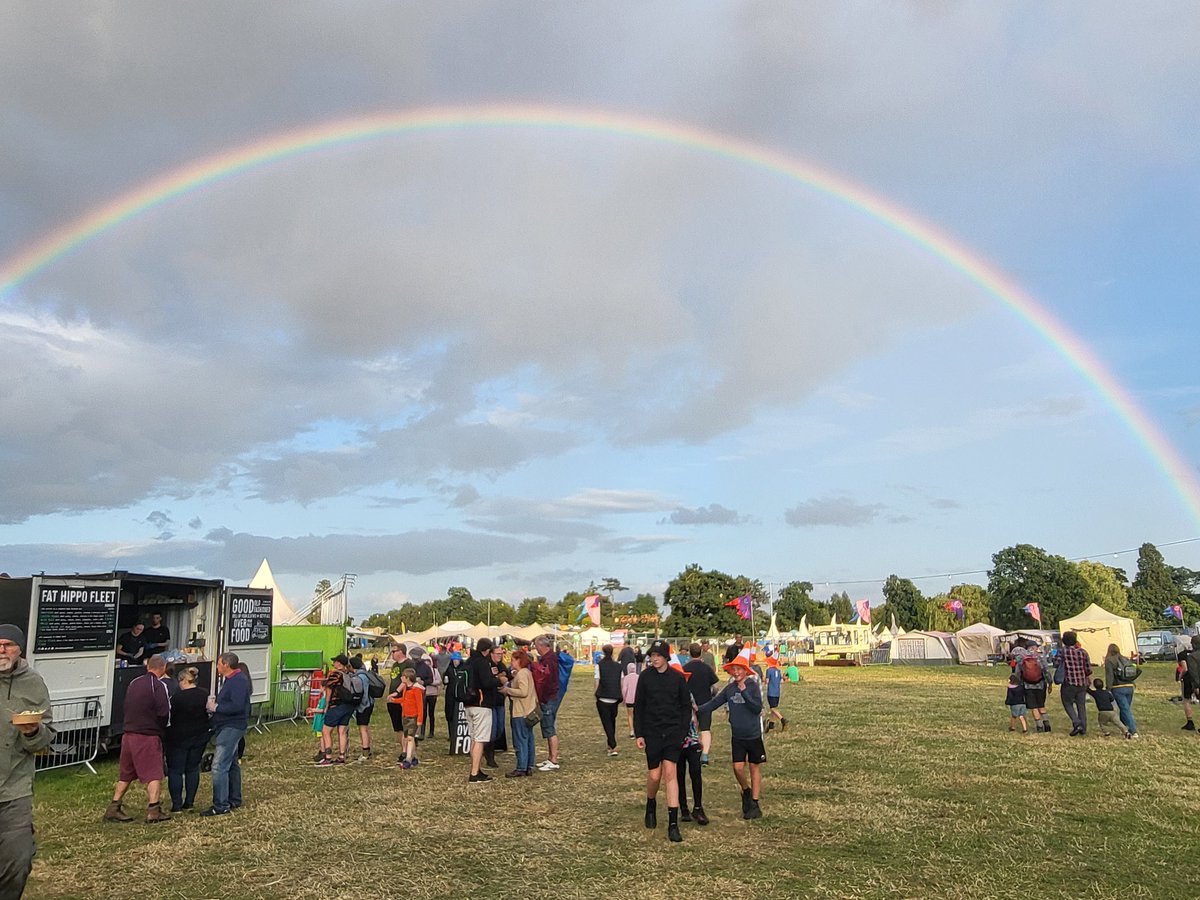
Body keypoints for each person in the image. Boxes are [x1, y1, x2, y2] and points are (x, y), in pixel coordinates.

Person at [0, 624, 54, 899]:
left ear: (19, 649)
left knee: (16, 863)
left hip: (14, 789)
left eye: (8, 644)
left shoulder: (32, 682)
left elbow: (46, 738)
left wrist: (33, 731)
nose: (1, 650)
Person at [697, 647, 766, 820]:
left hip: (753, 734)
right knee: (737, 768)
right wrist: (697, 709)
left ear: (745, 671)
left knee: (754, 767)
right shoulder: (729, 689)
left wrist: (744, 691)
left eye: (739, 669)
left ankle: (755, 803)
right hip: (738, 736)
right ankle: (746, 790)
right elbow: (715, 703)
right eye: (733, 669)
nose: (736, 672)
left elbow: (757, 708)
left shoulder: (751, 686)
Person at [633, 640, 692, 843]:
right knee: (655, 775)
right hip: (652, 732)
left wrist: (683, 731)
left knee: (670, 773)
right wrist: (639, 733)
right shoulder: (645, 677)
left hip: (673, 733)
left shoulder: (677, 678)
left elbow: (686, 706)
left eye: (658, 655)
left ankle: (673, 824)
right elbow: (638, 706)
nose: (654, 659)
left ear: (666, 657)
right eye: (652, 655)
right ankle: (650, 803)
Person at [104, 654, 172, 823]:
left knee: (125, 774)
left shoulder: (134, 683)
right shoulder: (158, 685)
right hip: (147, 735)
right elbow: (164, 712)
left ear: (147, 666)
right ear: (162, 668)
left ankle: (114, 806)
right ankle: (154, 809)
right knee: (154, 773)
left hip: (128, 734)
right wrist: (161, 729)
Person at [201, 652, 250, 816]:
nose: (217, 666)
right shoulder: (233, 680)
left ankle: (221, 804)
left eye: (219, 663)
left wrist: (217, 708)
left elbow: (236, 706)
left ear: (226, 665)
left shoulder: (237, 681)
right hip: (229, 725)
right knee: (232, 763)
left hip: (231, 726)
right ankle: (234, 799)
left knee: (219, 765)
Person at [164, 666, 210, 812]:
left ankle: (176, 804)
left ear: (183, 680)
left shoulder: (177, 698)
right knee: (192, 768)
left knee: (176, 771)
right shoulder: (204, 694)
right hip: (199, 736)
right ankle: (189, 802)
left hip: (179, 738)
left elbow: (170, 717)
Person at [464, 638, 501, 783]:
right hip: (481, 704)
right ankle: (474, 773)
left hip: (468, 703)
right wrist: (499, 681)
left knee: (474, 738)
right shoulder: (483, 662)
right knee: (480, 740)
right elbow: (487, 682)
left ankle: (476, 768)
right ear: (487, 650)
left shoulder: (469, 661)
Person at [317, 655, 358, 766]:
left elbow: (329, 689)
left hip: (336, 705)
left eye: (335, 661)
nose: (333, 663)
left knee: (326, 731)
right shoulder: (348, 674)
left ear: (339, 663)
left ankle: (328, 757)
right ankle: (341, 756)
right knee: (342, 731)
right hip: (349, 705)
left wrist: (327, 705)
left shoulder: (335, 674)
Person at [502, 649, 538, 776]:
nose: (511, 662)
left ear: (518, 660)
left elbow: (523, 692)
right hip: (528, 711)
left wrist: (508, 690)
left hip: (521, 711)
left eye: (512, 660)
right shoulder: (527, 672)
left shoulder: (522, 674)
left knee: (520, 740)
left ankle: (521, 767)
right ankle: (528, 765)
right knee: (528, 739)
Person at [682, 643, 718, 763]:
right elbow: (715, 687)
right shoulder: (706, 668)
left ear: (689, 653)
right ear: (700, 653)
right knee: (705, 729)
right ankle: (705, 755)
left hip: (689, 704)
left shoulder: (685, 669)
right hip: (705, 703)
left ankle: (693, 751)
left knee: (692, 729)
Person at [531, 636, 561, 771]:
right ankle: (550, 757)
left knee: (549, 728)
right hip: (550, 696)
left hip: (549, 697)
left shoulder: (549, 660)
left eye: (536, 646)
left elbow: (545, 678)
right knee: (548, 726)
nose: (536, 648)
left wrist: (542, 697)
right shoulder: (550, 658)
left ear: (542, 646)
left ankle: (554, 759)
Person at [1012, 638, 1052, 732]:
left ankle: (1039, 726)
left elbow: (1018, 672)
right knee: (1041, 705)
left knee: (1033, 706)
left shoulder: (1021, 658)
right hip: (1041, 684)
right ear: (1035, 647)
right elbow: (1046, 671)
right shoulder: (1040, 656)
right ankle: (1047, 724)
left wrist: (1019, 683)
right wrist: (1050, 682)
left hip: (1027, 685)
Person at [1058, 631, 1093, 736]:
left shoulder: (1062, 652)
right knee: (1081, 705)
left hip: (1068, 682)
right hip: (1082, 683)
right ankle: (1083, 727)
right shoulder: (1083, 652)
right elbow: (1088, 670)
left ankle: (1076, 723)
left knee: (1067, 703)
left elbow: (1056, 663)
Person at [1103, 643, 1140, 739]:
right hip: (1130, 686)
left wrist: (1108, 688)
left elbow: (1109, 676)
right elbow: (1137, 669)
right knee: (1125, 709)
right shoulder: (1125, 659)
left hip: (1118, 687)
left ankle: (1133, 730)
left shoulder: (1109, 660)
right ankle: (1125, 729)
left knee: (1125, 709)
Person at [594, 644, 623, 756]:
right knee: (612, 721)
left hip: (603, 697)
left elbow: (597, 681)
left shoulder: (599, 665)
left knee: (606, 723)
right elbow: (621, 682)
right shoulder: (618, 666)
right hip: (615, 697)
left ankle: (613, 744)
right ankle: (610, 745)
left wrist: (595, 694)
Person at [396, 668, 424, 769]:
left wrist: (420, 720)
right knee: (407, 737)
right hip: (406, 716)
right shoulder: (405, 689)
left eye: (403, 676)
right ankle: (414, 757)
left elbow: (420, 706)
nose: (401, 678)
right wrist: (394, 700)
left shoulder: (416, 690)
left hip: (413, 717)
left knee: (410, 738)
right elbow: (403, 700)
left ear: (407, 678)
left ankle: (408, 759)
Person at [487, 643, 511, 762]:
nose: (500, 656)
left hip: (500, 701)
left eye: (501, 654)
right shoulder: (487, 665)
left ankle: (492, 748)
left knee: (500, 728)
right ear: (491, 654)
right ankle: (489, 754)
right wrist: (498, 678)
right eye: (498, 654)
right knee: (493, 728)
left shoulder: (502, 665)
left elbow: (508, 676)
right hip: (490, 701)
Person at [349, 657, 375, 761]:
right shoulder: (364, 674)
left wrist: (361, 706)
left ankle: (365, 752)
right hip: (369, 703)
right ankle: (367, 748)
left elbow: (364, 693)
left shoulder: (360, 676)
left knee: (363, 728)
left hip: (364, 705)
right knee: (365, 728)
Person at [763, 654, 788, 732]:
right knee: (774, 709)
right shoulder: (778, 671)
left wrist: (762, 680)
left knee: (772, 708)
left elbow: (767, 681)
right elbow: (781, 681)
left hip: (771, 692)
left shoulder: (769, 670)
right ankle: (771, 724)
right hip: (777, 692)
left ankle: (782, 719)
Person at [443, 651, 465, 737]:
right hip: (450, 694)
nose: (456, 662)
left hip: (461, 695)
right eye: (454, 660)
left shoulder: (464, 669)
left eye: (457, 660)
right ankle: (451, 733)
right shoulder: (449, 669)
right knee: (450, 713)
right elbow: (445, 680)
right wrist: (445, 682)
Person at [1178, 637, 1197, 731]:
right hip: (1197, 678)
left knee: (1186, 700)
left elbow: (1185, 668)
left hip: (1188, 678)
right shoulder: (1196, 652)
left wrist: (1180, 676)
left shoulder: (1182, 654)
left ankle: (1190, 722)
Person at [621, 659, 639, 739]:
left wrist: (624, 699)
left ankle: (631, 731)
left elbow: (624, 689)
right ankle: (638, 730)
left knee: (630, 715)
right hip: (638, 699)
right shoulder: (639, 677)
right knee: (637, 715)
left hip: (629, 699)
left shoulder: (626, 678)